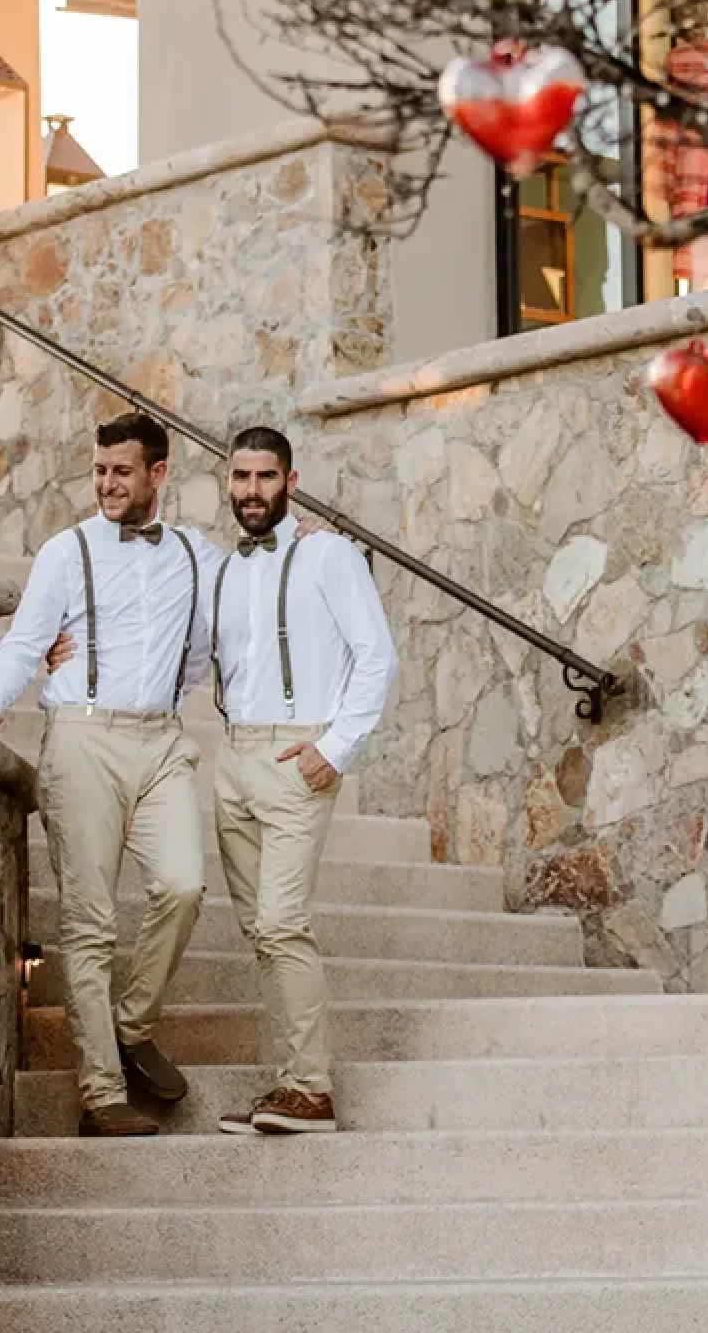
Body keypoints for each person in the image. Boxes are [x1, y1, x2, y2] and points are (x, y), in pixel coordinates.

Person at [0, 412, 221, 1138]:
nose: (105, 484)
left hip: (160, 741)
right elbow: (28, 641)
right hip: (82, 739)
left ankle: (132, 1025)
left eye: (121, 472)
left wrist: (304, 540)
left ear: (158, 474)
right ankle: (101, 1094)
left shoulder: (198, 554)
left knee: (183, 885)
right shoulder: (66, 552)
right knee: (89, 924)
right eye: (99, 470)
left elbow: (204, 648)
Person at [205, 426, 396, 1135]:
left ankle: (312, 1088)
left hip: (296, 756)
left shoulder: (328, 555)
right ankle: (285, 1084)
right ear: (227, 482)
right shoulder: (226, 568)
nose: (251, 491)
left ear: (290, 479)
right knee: (262, 932)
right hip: (234, 759)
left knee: (283, 922)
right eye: (240, 478)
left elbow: (376, 656)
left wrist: (337, 746)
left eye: (264, 477)